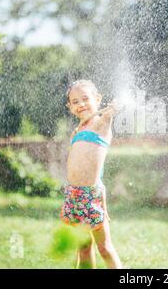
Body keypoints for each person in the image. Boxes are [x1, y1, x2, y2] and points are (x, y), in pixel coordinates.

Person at [61, 79, 122, 269]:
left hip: (90, 196)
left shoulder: (101, 123)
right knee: (83, 247)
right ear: (70, 107)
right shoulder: (77, 131)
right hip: (73, 194)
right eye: (75, 101)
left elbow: (111, 113)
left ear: (98, 99)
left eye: (86, 99)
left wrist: (114, 107)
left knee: (104, 247)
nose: (81, 104)